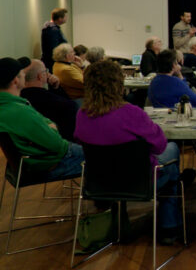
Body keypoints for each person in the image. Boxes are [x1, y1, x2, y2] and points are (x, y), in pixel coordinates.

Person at [74, 60, 186, 244]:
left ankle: (118, 220)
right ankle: (169, 226)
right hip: (139, 181)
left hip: (99, 182)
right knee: (172, 151)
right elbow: (159, 146)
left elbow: (81, 141)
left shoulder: (82, 115)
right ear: (119, 83)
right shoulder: (131, 113)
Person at [0, 57, 84, 183]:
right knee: (105, 157)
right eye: (22, 73)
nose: (25, 75)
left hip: (26, 166)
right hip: (48, 166)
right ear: (16, 81)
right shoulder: (19, 111)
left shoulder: (8, 106)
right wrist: (51, 127)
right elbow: (57, 145)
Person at [20, 59, 78, 141]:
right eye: (45, 71)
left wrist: (55, 88)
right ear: (40, 76)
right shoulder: (66, 106)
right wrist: (57, 89)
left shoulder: (18, 98)